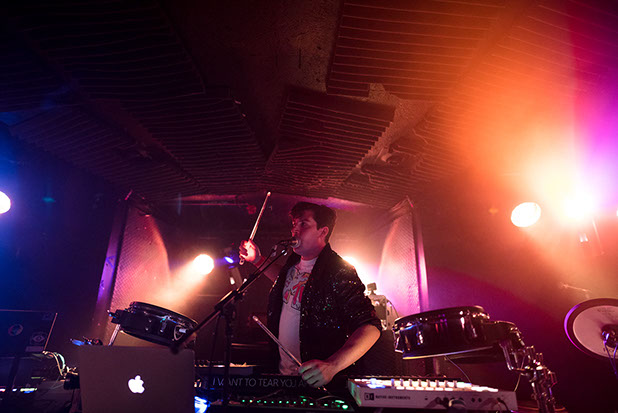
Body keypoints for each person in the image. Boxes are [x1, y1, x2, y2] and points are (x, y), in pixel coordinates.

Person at [239, 202, 381, 388]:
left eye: (303, 224)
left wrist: (332, 366)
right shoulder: (292, 264)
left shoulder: (338, 270)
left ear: (323, 231)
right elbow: (287, 283)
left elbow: (370, 327)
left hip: (319, 384)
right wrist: (257, 260)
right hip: (285, 378)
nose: (294, 230)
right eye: (294, 224)